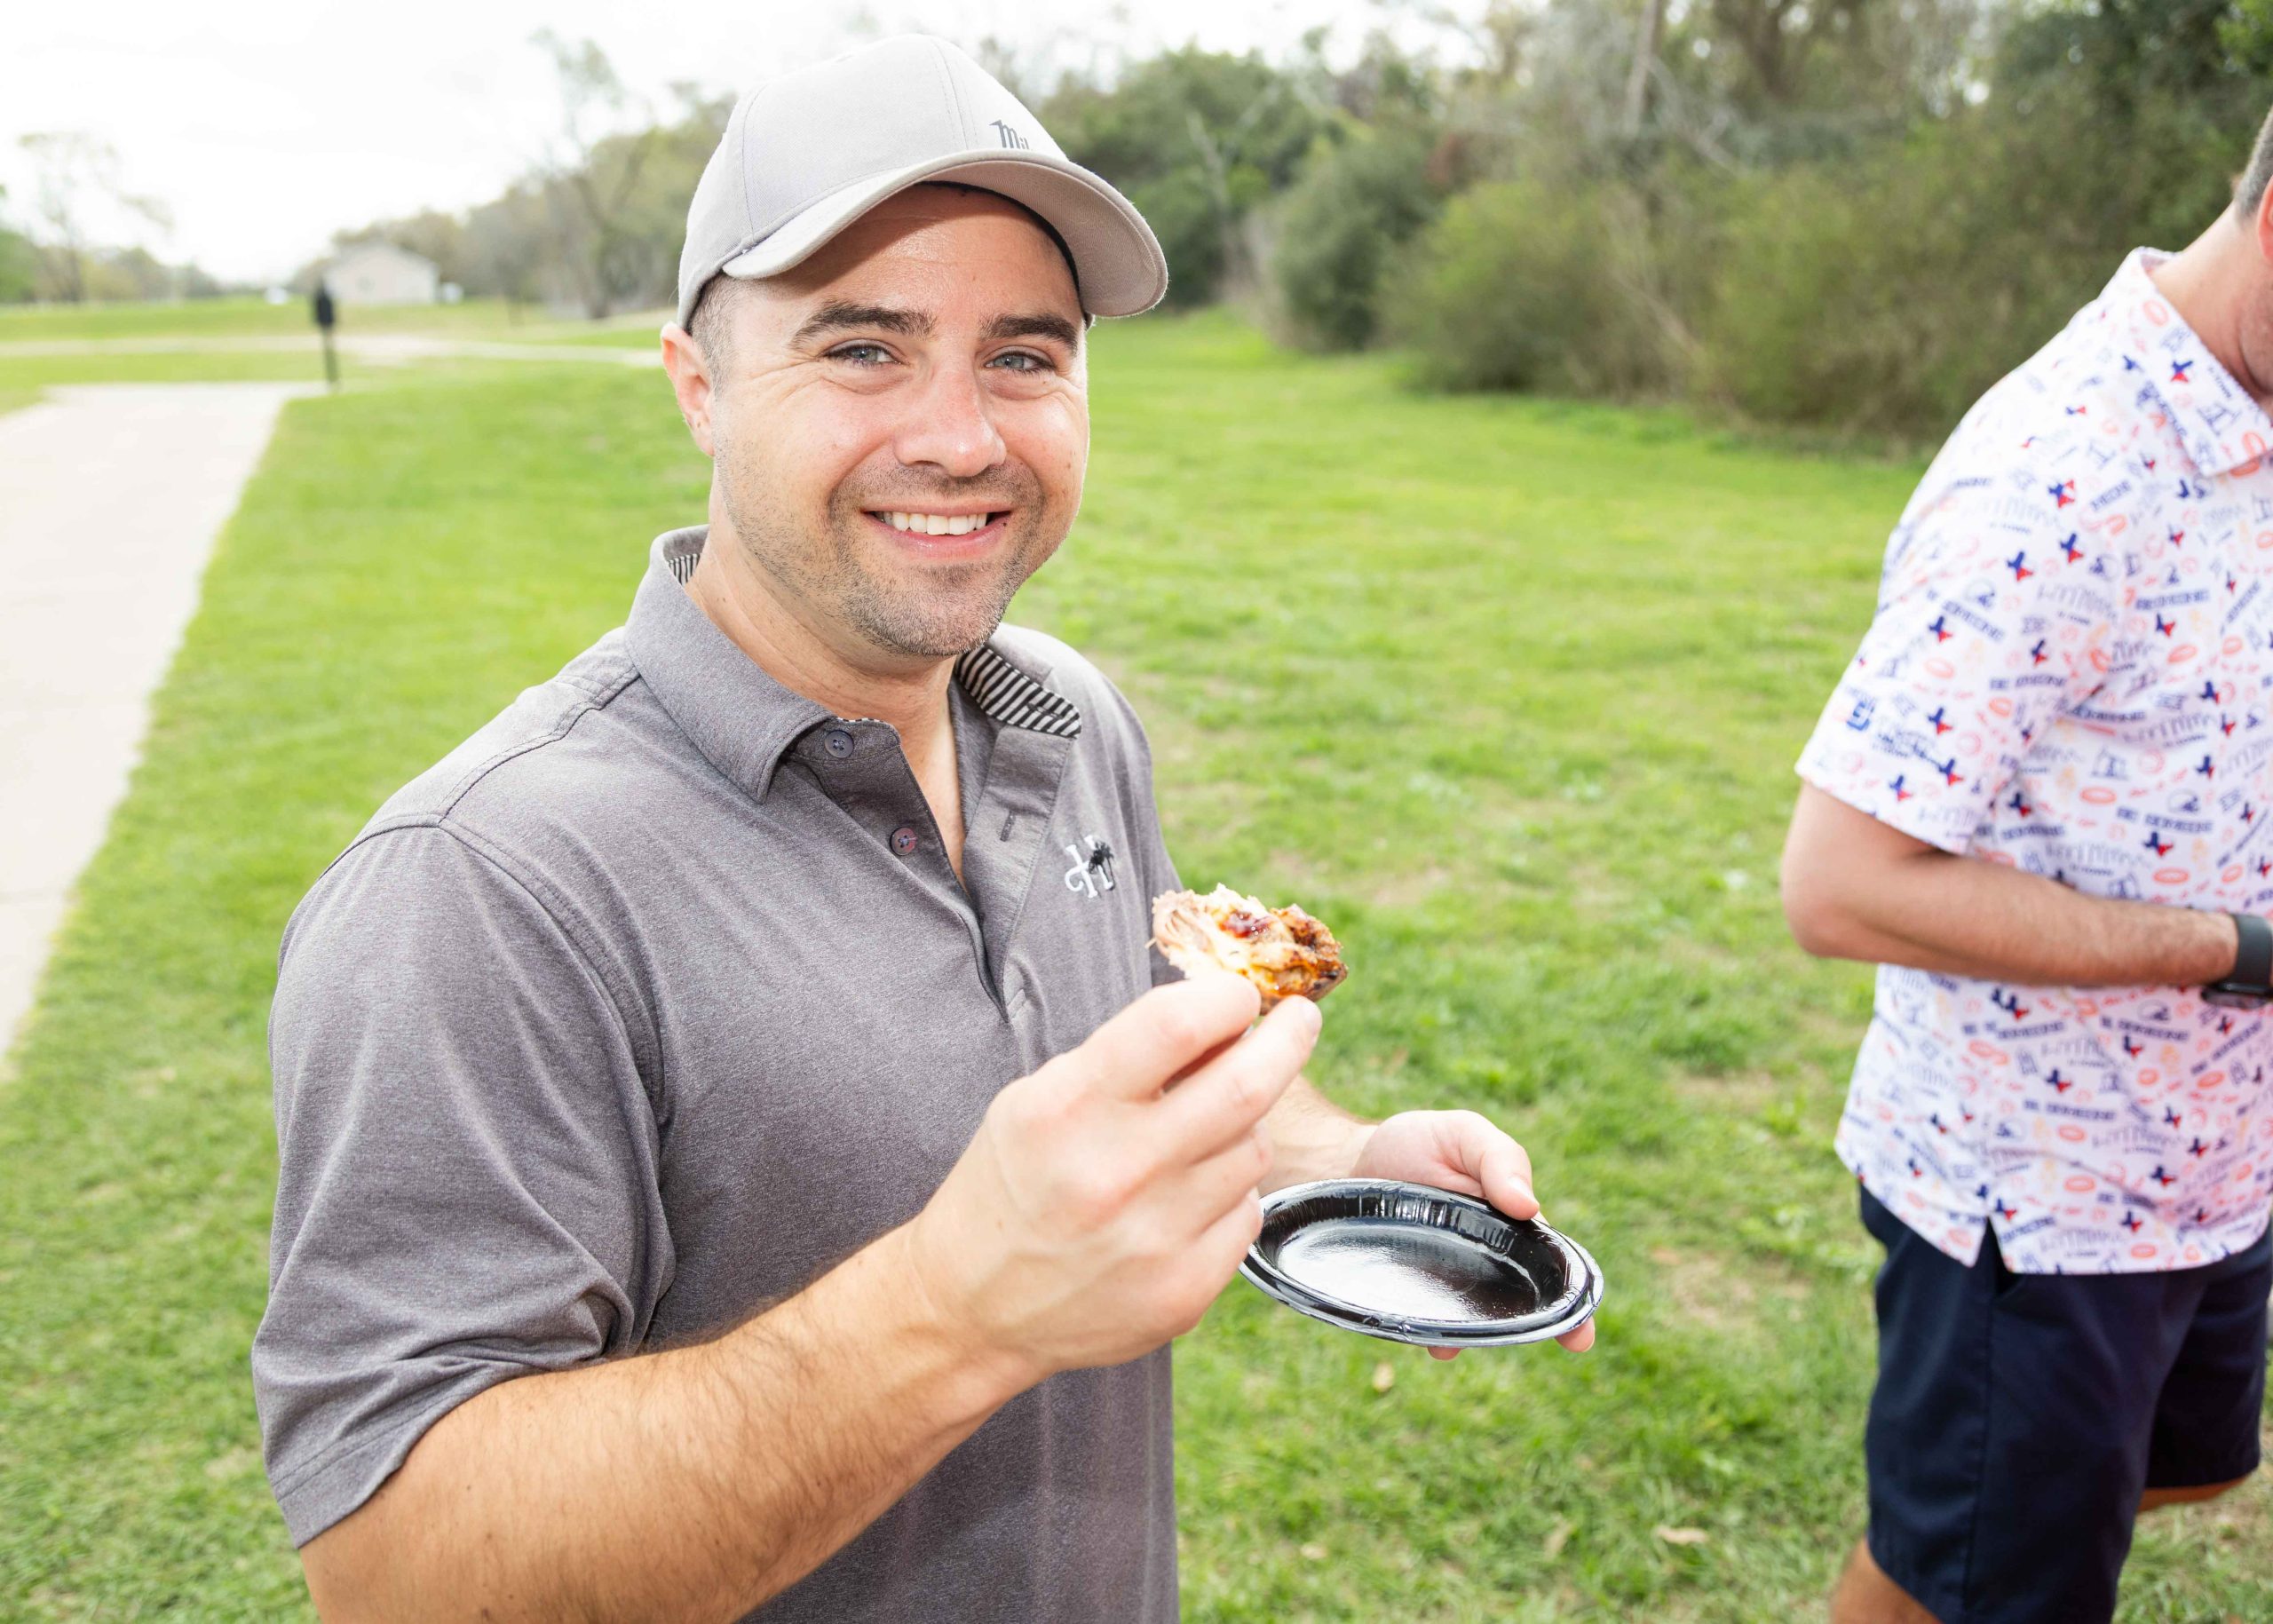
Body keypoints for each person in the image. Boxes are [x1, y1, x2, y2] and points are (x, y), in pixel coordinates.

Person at [250, 36, 1588, 1624]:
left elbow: (1123, 1068)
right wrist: (958, 1307)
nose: (962, 436)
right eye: (864, 348)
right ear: (698, 385)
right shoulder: (479, 888)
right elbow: (391, 1572)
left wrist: (1334, 1163)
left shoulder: (1065, 719)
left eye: (1023, 355)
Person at [1780, 108, 2273, 1624]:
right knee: (1990, 1581)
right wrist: (2235, 947)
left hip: (2215, 1157)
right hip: (2045, 1201)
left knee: (2155, 1483)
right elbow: (1839, 884)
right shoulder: (2057, 477)